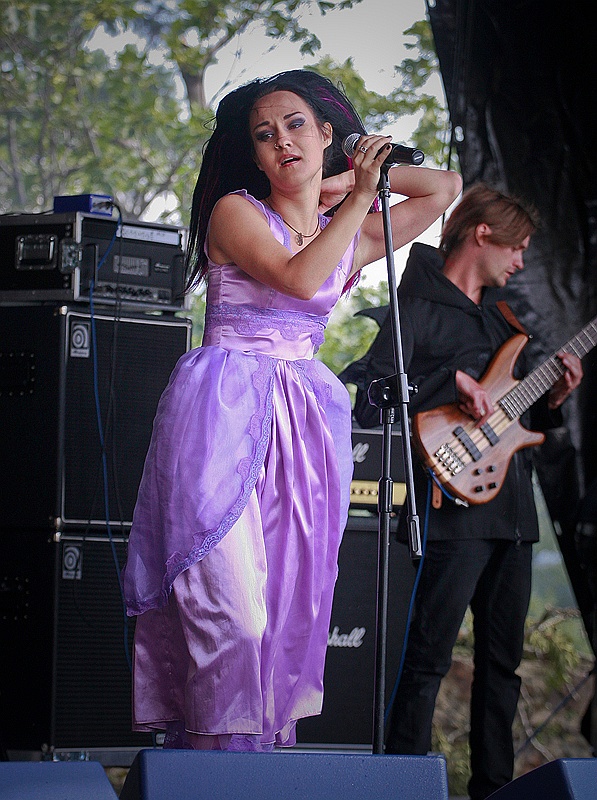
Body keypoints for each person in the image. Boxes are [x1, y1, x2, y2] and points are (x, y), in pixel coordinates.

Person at [122, 69, 461, 753]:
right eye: (263, 134)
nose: (280, 141)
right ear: (250, 154)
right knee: (233, 620)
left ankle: (238, 772)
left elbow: (446, 189)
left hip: (302, 421)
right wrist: (355, 193)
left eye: (296, 124)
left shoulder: (349, 232)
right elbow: (303, 280)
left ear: (328, 132)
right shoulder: (235, 212)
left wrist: (335, 184)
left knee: (278, 625)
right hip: (221, 410)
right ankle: (215, 783)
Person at [342, 183, 583, 797]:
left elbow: (521, 422)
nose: (521, 262)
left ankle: (494, 789)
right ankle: (402, 784)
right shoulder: (416, 303)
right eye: (518, 247)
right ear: (482, 233)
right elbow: (368, 388)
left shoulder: (505, 318)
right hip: (447, 510)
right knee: (426, 656)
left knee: (503, 669)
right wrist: (447, 380)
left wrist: (552, 400)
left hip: (513, 511)